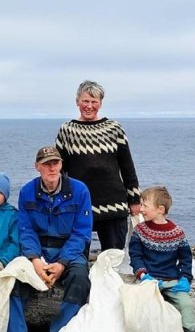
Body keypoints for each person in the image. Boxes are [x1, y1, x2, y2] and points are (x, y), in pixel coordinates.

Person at [0, 146, 93, 332]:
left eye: (55, 163)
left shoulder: (80, 191)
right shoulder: (27, 192)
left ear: (61, 165)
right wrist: (34, 260)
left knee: (81, 280)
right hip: (38, 251)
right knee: (13, 280)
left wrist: (62, 263)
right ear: (37, 167)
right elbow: (26, 229)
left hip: (69, 251)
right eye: (46, 164)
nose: (52, 168)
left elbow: (82, 233)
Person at [55, 80, 140, 251]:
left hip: (113, 204)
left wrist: (134, 199)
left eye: (94, 102)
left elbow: (127, 166)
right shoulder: (67, 130)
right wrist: (59, 200)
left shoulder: (114, 129)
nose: (89, 106)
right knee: (76, 255)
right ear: (77, 101)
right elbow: (59, 169)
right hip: (79, 204)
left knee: (113, 256)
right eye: (85, 101)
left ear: (100, 103)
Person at [129, 186, 195, 332]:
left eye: (145, 206)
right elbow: (135, 255)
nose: (141, 209)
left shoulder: (177, 233)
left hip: (172, 282)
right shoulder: (140, 231)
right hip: (148, 281)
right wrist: (143, 274)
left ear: (160, 209)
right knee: (142, 311)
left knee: (186, 306)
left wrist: (185, 278)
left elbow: (186, 259)